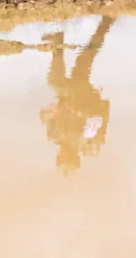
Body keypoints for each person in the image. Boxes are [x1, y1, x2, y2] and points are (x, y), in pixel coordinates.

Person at [39, 15, 115, 174]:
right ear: (71, 157)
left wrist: (53, 113)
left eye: (59, 158)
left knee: (86, 57)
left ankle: (106, 22)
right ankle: (106, 22)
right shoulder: (85, 138)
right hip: (81, 95)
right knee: (83, 60)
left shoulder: (57, 137)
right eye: (62, 158)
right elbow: (97, 118)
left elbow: (43, 115)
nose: (59, 155)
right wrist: (77, 112)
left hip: (69, 94)